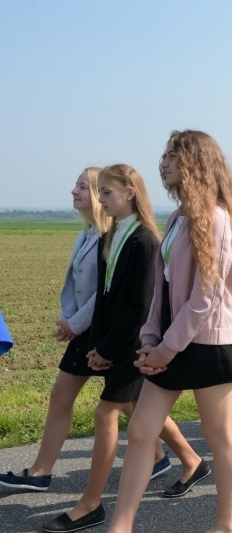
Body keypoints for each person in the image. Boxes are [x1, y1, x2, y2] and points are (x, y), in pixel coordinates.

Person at [106, 131, 232, 533]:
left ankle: (226, 523)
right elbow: (163, 289)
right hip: (171, 343)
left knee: (218, 434)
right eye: (165, 156)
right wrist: (150, 340)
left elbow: (205, 298)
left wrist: (166, 350)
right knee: (140, 429)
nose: (164, 163)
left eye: (173, 156)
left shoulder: (218, 217)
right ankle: (119, 526)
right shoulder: (177, 219)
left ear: (196, 163)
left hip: (208, 344)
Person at [40, 164, 201, 532]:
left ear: (130, 192)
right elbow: (105, 301)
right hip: (114, 344)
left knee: (105, 415)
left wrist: (109, 349)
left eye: (106, 192)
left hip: (132, 346)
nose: (101, 200)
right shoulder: (111, 236)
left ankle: (91, 504)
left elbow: (138, 308)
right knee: (132, 407)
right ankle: (192, 460)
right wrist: (95, 345)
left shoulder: (144, 241)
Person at [0, 169, 111, 493]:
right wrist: (67, 318)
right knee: (66, 396)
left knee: (129, 403)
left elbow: (103, 292)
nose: (73, 191)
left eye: (81, 187)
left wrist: (74, 324)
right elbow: (74, 286)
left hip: (99, 332)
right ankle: (40, 472)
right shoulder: (86, 233)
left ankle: (184, 458)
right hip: (82, 331)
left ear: (97, 194)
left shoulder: (108, 237)